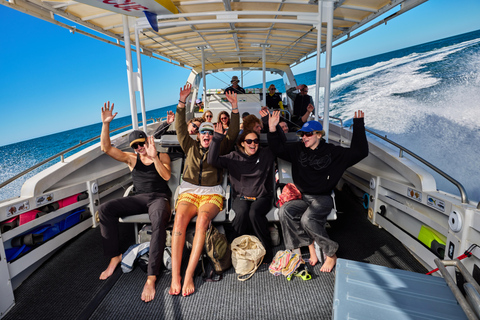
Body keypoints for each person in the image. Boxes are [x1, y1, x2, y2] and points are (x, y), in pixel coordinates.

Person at [267, 110, 368, 272]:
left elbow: (360, 152)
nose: (304, 138)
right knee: (285, 211)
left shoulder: (334, 153)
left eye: (308, 134)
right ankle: (297, 253)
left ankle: (331, 253)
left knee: (308, 220)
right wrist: (272, 128)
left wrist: (358, 125)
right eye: (302, 134)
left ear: (319, 135)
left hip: (322, 198)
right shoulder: (297, 150)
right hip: (303, 196)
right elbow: (278, 149)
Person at [98, 102, 172, 302]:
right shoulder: (131, 159)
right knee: (105, 209)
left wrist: (154, 157)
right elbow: (106, 148)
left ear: (148, 142)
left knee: (158, 221)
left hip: (160, 198)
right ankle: (115, 256)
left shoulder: (162, 155)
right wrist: (106, 124)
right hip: (138, 197)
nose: (140, 148)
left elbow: (166, 177)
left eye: (142, 144)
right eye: (136, 146)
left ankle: (151, 276)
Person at [170, 84, 239, 297]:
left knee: (202, 221)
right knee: (179, 220)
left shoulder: (221, 146)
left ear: (213, 135)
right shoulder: (189, 146)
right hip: (189, 190)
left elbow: (234, 133)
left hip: (212, 193)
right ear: (198, 135)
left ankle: (189, 274)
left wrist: (234, 108)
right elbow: (180, 127)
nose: (206, 135)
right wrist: (182, 102)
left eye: (210, 132)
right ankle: (175, 276)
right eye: (203, 132)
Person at [208, 127, 275, 262]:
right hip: (241, 196)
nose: (253, 144)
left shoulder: (266, 154)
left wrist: (272, 127)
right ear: (242, 143)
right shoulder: (234, 157)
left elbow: (278, 146)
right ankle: (234, 247)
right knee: (242, 212)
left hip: (262, 196)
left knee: (254, 213)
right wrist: (216, 138)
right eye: (249, 141)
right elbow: (212, 160)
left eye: (256, 141)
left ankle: (266, 249)